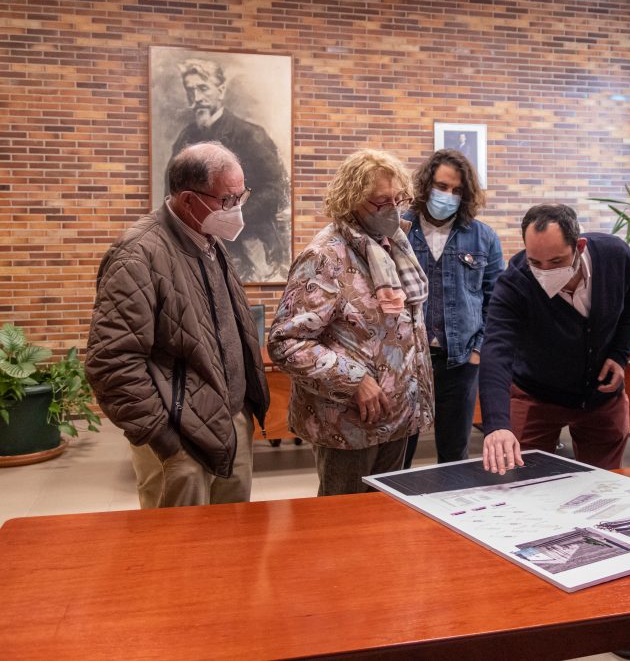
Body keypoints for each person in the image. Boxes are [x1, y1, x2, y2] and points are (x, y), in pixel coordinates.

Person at [86, 141, 270, 509]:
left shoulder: (209, 240)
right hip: (178, 437)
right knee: (177, 557)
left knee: (233, 547)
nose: (236, 210)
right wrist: (164, 441)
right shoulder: (137, 254)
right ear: (188, 200)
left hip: (229, 422)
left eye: (241, 196)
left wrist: (245, 411)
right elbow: (111, 363)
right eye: (227, 200)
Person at [268, 149, 434, 496]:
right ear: (352, 201)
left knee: (384, 524)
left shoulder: (394, 245)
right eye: (380, 202)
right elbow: (286, 342)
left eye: (398, 198)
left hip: (397, 418)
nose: (393, 208)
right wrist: (354, 380)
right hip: (347, 423)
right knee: (341, 528)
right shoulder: (325, 256)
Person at [479, 203, 630, 474]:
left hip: (600, 394)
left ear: (579, 247)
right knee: (521, 478)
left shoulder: (614, 255)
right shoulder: (515, 283)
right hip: (536, 393)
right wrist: (497, 425)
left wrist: (620, 354)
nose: (545, 271)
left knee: (606, 484)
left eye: (556, 261)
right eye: (535, 262)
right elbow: (496, 352)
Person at [402, 149, 503, 466]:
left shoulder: (483, 237)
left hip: (459, 363)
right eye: (441, 187)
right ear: (426, 185)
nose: (448, 196)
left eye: (457, 190)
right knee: (397, 455)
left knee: (454, 456)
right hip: (406, 364)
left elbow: (497, 303)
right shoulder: (398, 231)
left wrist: (478, 351)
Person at [170, 58, 290, 282]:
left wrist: (231, 219)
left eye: (203, 88)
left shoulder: (251, 135)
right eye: (191, 90)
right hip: (199, 247)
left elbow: (277, 190)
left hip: (252, 241)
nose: (196, 98)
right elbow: (174, 193)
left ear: (221, 90)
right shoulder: (184, 140)